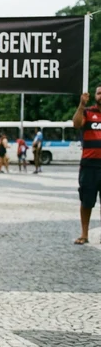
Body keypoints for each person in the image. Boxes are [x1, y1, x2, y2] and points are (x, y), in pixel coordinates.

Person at [73, 87, 101, 245]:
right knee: (86, 201)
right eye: (99, 93)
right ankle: (84, 234)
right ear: (95, 96)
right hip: (89, 164)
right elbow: (76, 124)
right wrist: (81, 105)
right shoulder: (87, 112)